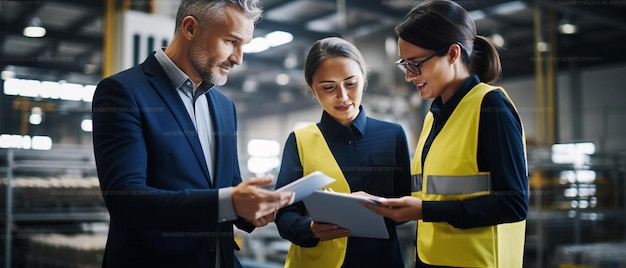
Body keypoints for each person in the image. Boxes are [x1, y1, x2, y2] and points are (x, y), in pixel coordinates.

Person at [91, 1, 294, 267]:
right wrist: (229, 202)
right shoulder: (123, 92)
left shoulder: (224, 107)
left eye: (244, 45)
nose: (238, 58)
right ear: (190, 28)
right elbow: (126, 200)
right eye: (231, 41)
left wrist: (252, 210)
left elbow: (228, 186)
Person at [359, 0, 529, 267]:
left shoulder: (490, 106)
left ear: (452, 53)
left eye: (416, 64)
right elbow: (429, 193)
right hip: (431, 258)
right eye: (405, 65)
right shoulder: (433, 117)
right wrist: (374, 201)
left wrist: (426, 211)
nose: (409, 76)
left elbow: (514, 203)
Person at [273, 37, 412, 268]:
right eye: (328, 87)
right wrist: (310, 228)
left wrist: (378, 207)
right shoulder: (300, 141)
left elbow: (406, 203)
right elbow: (284, 214)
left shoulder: (393, 135)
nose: (343, 96)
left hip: (381, 260)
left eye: (351, 83)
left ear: (363, 79)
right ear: (312, 89)